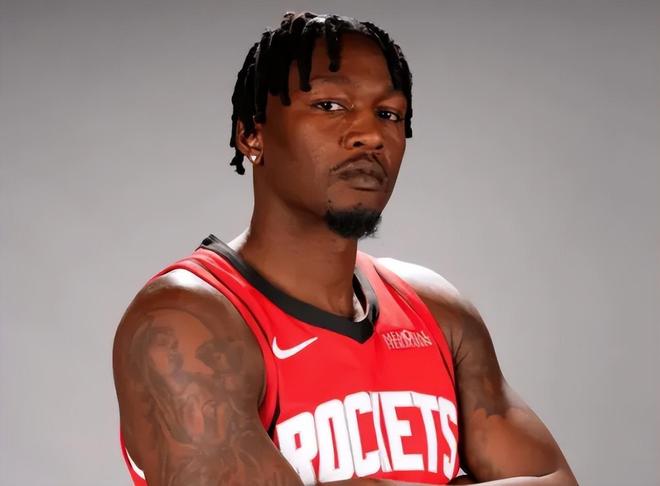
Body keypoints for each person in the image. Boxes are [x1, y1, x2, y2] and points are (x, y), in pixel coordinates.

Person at [112, 11, 577, 486]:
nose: (370, 135)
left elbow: (558, 480)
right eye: (330, 105)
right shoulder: (183, 323)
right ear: (251, 133)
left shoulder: (438, 312)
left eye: (389, 114)